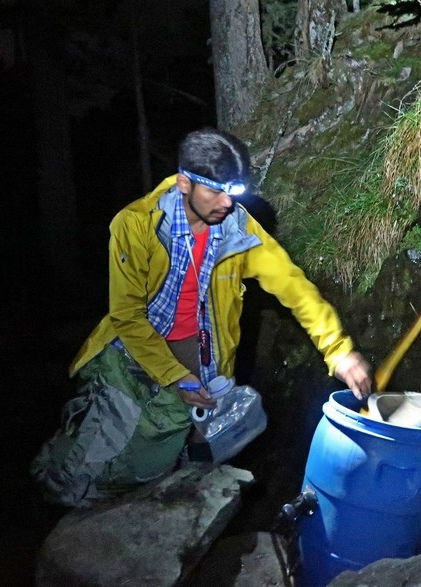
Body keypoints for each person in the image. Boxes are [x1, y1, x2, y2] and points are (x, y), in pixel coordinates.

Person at [32, 128, 372, 506]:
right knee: (108, 455)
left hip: (205, 354)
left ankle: (169, 508)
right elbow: (127, 316)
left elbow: (293, 286)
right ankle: (59, 488)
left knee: (184, 449)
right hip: (135, 349)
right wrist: (175, 375)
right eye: (215, 191)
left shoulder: (238, 229)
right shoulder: (136, 225)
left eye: (234, 191)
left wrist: (338, 350)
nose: (227, 202)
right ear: (184, 183)